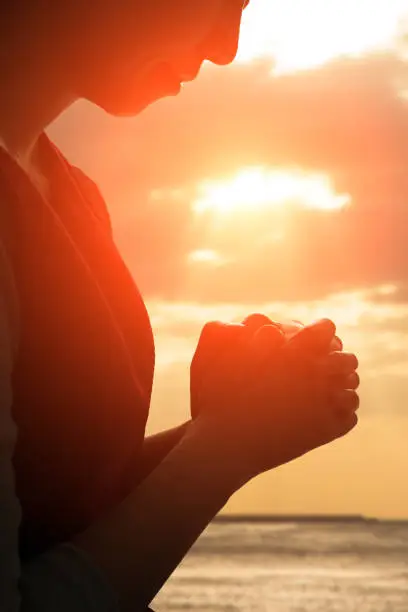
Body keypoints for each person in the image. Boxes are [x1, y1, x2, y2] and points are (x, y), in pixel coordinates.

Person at [0, 2, 360, 611]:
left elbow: (49, 511)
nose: (226, 46)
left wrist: (223, 422)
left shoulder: (69, 190)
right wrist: (227, 446)